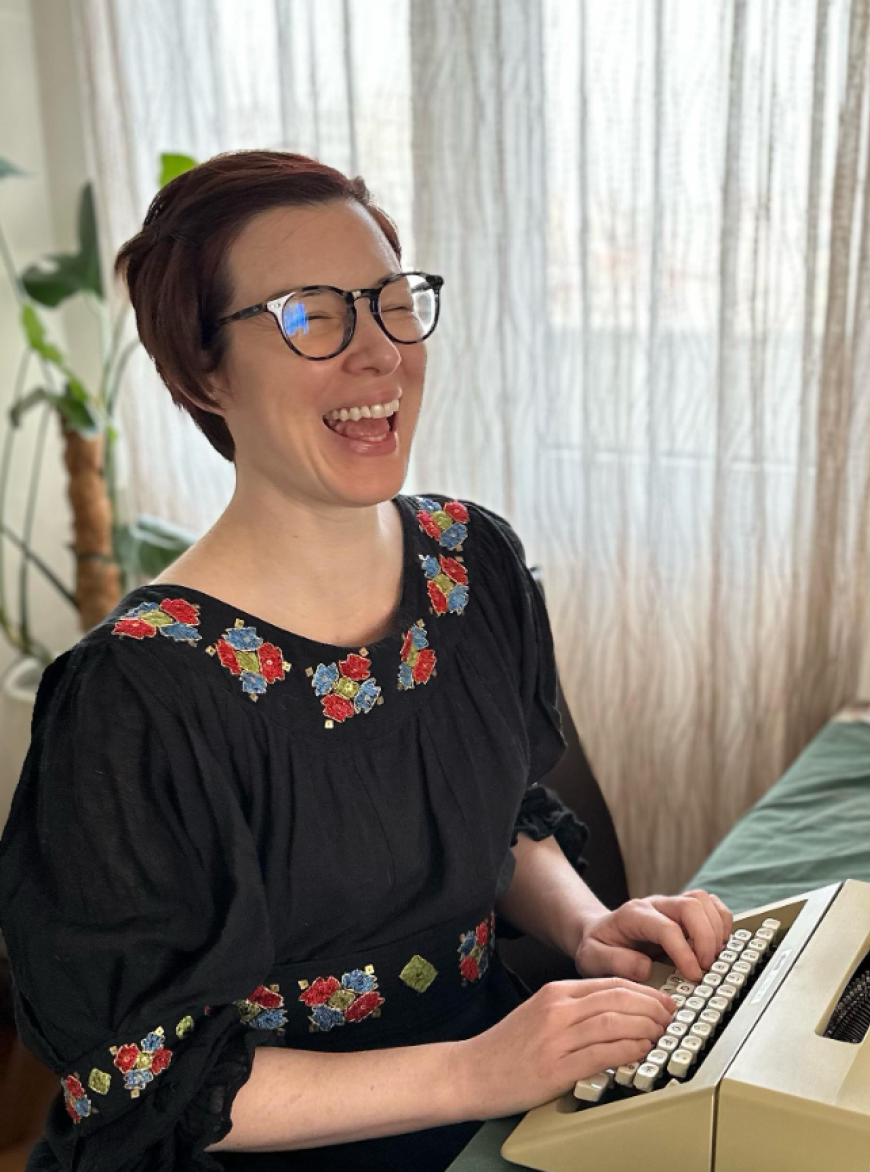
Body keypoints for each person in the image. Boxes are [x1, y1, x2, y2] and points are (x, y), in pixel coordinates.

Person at [0, 150, 734, 1172]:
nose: (381, 353)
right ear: (204, 373)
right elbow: (143, 1077)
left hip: (499, 1086)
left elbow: (501, 813)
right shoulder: (136, 694)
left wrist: (589, 925)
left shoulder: (471, 562)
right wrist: (476, 1070)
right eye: (313, 315)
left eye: (392, 303)